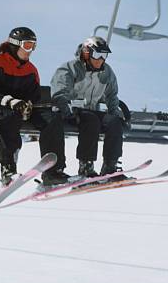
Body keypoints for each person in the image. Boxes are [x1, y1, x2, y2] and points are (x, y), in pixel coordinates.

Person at [0, 26, 67, 187]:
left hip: (23, 109)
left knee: (52, 119)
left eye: (33, 46)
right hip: (0, 107)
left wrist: (29, 105)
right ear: (15, 44)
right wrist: (10, 102)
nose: (30, 50)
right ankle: (8, 170)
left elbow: (34, 94)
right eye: (27, 45)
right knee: (9, 117)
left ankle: (53, 171)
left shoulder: (30, 69)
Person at [49, 36, 126, 181]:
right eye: (97, 54)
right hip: (71, 111)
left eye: (104, 55)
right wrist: (65, 106)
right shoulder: (70, 68)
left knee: (114, 122)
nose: (101, 59)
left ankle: (110, 166)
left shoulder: (107, 72)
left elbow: (112, 96)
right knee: (91, 120)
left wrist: (116, 113)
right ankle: (86, 166)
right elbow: (59, 90)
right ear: (86, 53)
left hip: (93, 112)